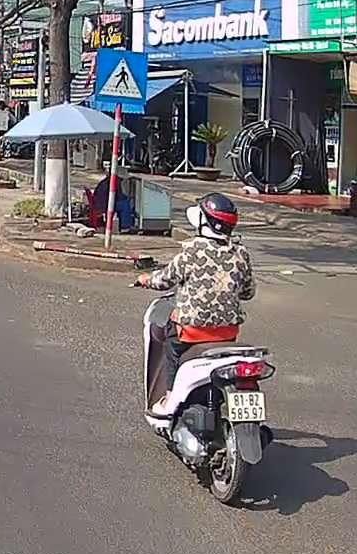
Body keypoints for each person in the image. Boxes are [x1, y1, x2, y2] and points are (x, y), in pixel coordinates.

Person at [137, 193, 255, 415]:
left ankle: (169, 398)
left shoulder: (192, 250)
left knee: (170, 345)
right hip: (228, 332)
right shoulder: (241, 253)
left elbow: (164, 280)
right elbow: (248, 292)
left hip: (192, 331)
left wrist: (145, 279)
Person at [93, 162, 135, 231]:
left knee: (124, 203)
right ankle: (125, 227)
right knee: (125, 205)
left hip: (101, 204)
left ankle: (124, 224)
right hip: (105, 205)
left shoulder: (104, 181)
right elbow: (121, 197)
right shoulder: (116, 181)